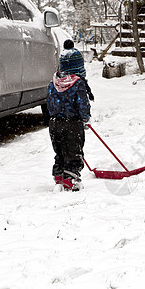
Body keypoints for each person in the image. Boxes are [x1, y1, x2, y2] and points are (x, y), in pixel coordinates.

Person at [47, 40, 91, 191]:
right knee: (73, 153)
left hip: (54, 123)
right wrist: (85, 117)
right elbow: (82, 103)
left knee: (60, 151)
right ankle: (70, 179)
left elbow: (49, 102)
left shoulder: (53, 82)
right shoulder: (78, 83)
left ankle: (59, 176)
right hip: (72, 124)